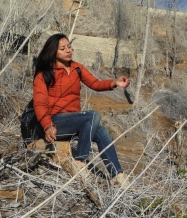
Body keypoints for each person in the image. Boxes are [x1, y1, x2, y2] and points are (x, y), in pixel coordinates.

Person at [33, 33, 130, 187]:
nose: (68, 51)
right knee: (92, 116)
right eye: (63, 49)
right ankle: (80, 162)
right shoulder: (44, 74)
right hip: (55, 122)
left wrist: (114, 82)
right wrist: (47, 125)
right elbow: (39, 104)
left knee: (101, 131)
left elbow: (95, 84)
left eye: (69, 47)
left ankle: (117, 175)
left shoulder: (77, 68)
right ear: (53, 52)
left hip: (75, 120)